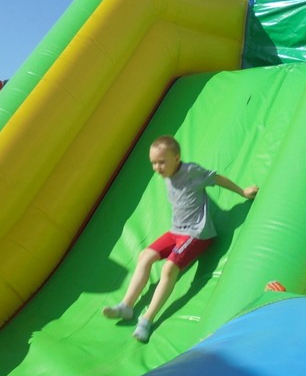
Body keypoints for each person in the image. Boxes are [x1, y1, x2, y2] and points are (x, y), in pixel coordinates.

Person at [103, 135, 259, 342]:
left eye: (161, 162)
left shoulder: (191, 171)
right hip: (176, 230)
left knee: (169, 268)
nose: (156, 168)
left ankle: (147, 320)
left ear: (176, 158)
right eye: (153, 163)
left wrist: (242, 192)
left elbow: (216, 179)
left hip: (197, 233)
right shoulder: (167, 174)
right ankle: (126, 306)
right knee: (145, 256)